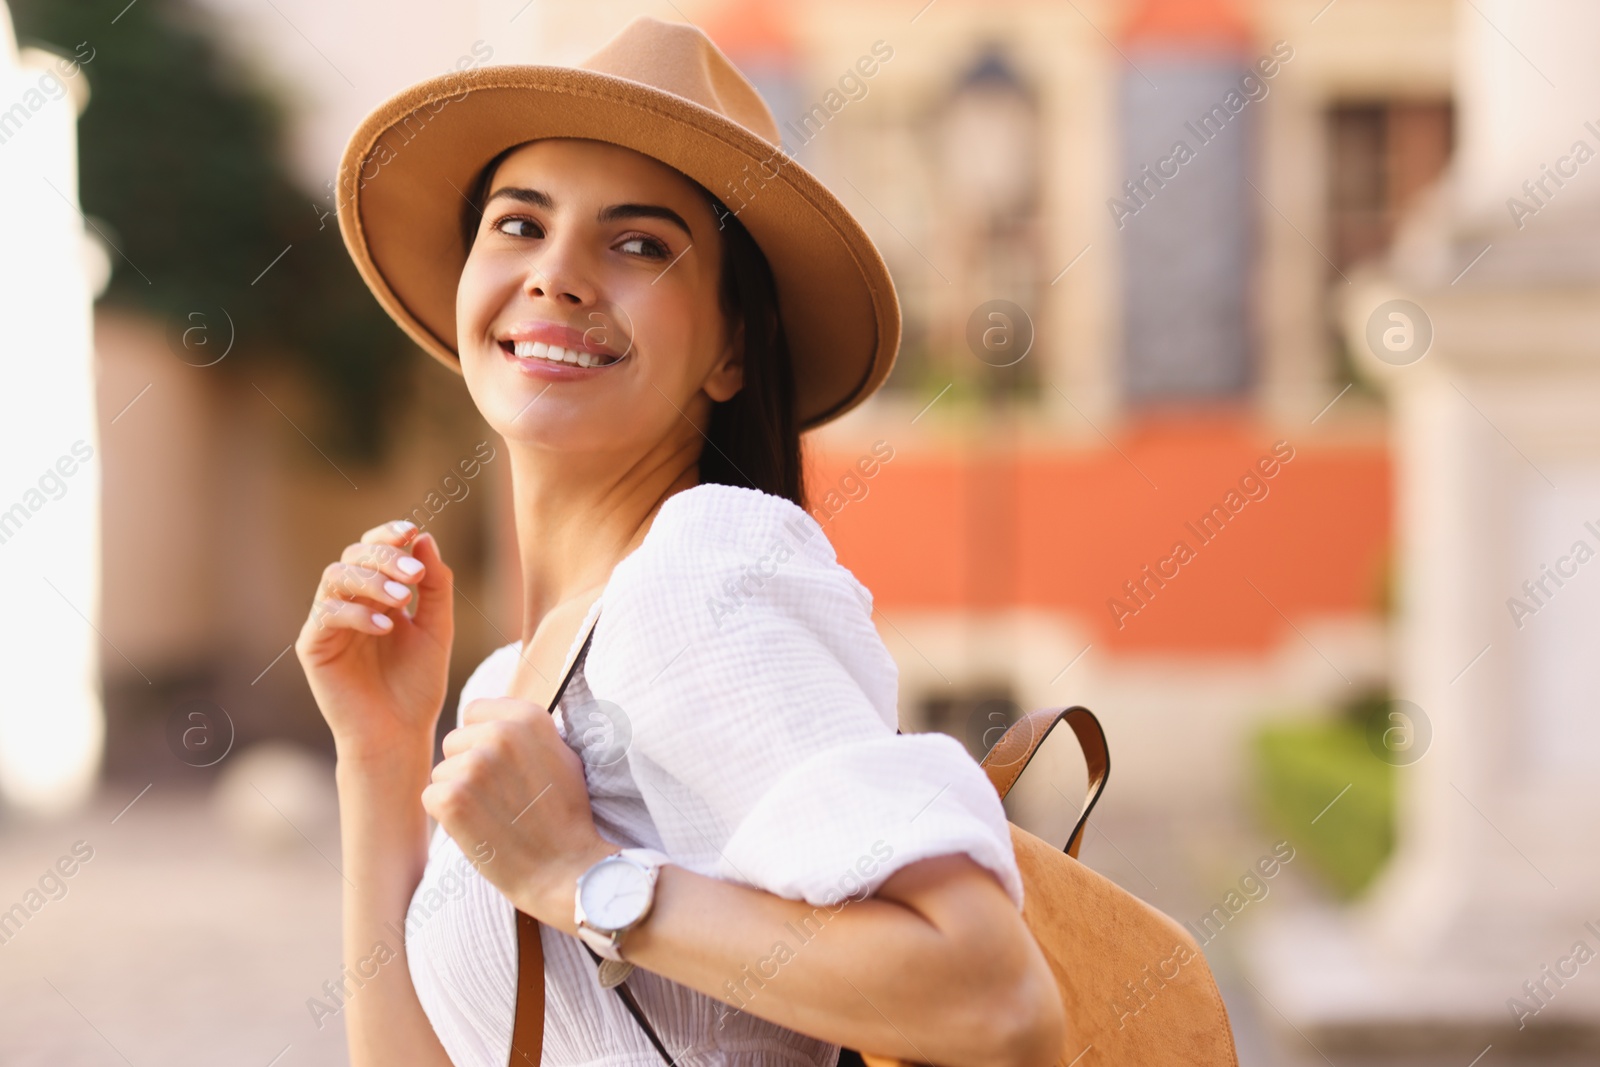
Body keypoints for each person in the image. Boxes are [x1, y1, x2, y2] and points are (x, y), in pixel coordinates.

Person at [296, 15, 1065, 1067]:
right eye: (519, 224)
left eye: (638, 244)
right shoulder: (502, 687)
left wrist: (579, 874)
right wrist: (380, 754)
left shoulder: (701, 570)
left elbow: (996, 998)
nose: (556, 274)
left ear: (732, 348)